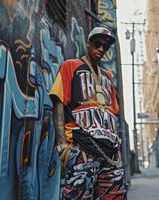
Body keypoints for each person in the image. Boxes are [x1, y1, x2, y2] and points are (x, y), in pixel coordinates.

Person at [50, 26, 126, 199]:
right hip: (81, 149)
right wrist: (62, 146)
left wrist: (118, 150)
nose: (101, 49)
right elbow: (59, 102)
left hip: (110, 153)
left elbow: (112, 112)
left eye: (105, 47)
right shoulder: (71, 66)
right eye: (97, 43)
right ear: (88, 43)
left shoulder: (108, 76)